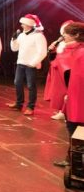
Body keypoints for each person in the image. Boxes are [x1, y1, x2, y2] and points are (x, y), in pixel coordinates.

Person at [52, 22, 84, 167]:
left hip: (78, 96)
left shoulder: (80, 52)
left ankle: (75, 162)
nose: (63, 35)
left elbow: (75, 76)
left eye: (67, 32)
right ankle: (72, 159)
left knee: (75, 127)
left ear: (76, 35)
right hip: (73, 95)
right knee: (74, 127)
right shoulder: (71, 50)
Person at [8, 14, 48, 115]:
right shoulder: (21, 35)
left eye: (24, 24)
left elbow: (42, 52)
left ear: (30, 25)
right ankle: (19, 104)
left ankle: (30, 107)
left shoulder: (39, 36)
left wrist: (33, 63)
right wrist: (13, 39)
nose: (21, 25)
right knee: (17, 83)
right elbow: (14, 49)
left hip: (31, 65)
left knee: (31, 86)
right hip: (21, 63)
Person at [44, 20, 73, 121]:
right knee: (60, 93)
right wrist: (52, 50)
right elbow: (55, 58)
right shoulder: (60, 43)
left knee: (68, 93)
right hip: (58, 70)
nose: (64, 35)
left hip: (67, 71)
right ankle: (62, 111)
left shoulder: (75, 45)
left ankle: (68, 113)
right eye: (64, 32)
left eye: (67, 33)